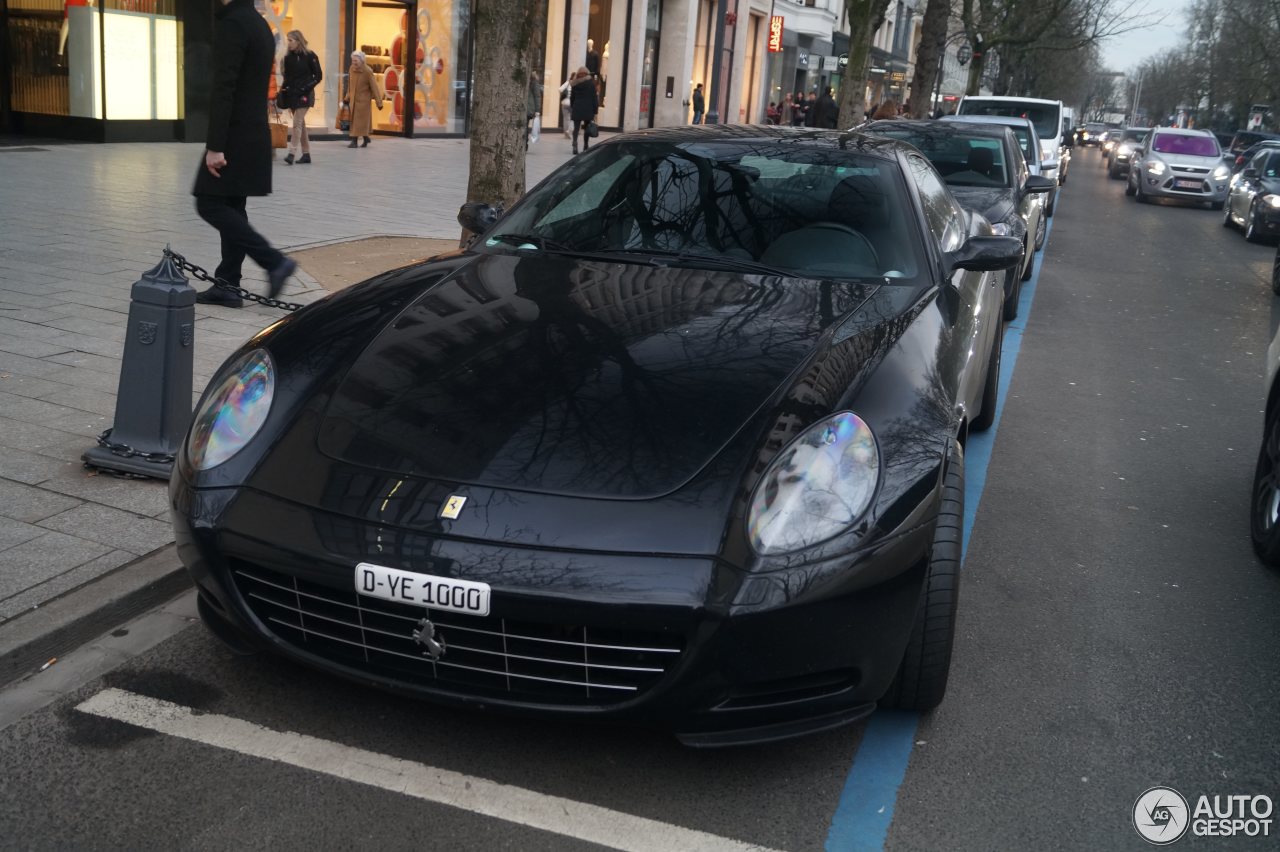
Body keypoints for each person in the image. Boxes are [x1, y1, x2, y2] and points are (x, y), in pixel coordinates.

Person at [191, 0, 296, 308]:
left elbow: (225, 87)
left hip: (234, 135)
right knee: (232, 205)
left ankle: (273, 261)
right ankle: (228, 284)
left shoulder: (233, 24)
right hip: (252, 131)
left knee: (208, 202)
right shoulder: (259, 24)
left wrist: (215, 146)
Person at [278, 30, 321, 165]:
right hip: (292, 94)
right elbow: (286, 77)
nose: (288, 43)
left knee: (297, 123)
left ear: (298, 41)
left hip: (305, 94)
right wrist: (283, 90)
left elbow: (318, 76)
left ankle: (291, 153)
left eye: (291, 40)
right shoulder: (287, 58)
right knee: (301, 124)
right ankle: (306, 154)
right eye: (288, 40)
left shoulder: (310, 56)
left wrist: (306, 88)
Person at [344, 51, 383, 148]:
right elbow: (350, 85)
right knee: (356, 122)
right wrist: (347, 97)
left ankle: (354, 141)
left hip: (363, 102)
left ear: (362, 61)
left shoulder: (368, 71)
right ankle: (366, 138)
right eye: (352, 61)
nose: (354, 63)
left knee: (358, 122)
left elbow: (374, 87)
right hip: (353, 101)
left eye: (356, 61)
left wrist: (379, 102)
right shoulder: (351, 69)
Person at [569, 66, 597, 155]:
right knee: (586, 128)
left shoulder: (575, 84)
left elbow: (572, 98)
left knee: (576, 128)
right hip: (588, 109)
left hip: (577, 107)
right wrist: (595, 111)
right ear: (587, 73)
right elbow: (594, 98)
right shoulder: (591, 84)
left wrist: (573, 107)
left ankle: (575, 144)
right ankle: (585, 145)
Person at [526, 70, 543, 144]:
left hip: (528, 108)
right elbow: (537, 96)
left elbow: (537, 96)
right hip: (529, 108)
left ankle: (524, 142)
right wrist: (537, 110)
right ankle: (525, 143)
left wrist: (537, 110)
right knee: (525, 126)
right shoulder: (534, 82)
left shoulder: (533, 82)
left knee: (524, 126)